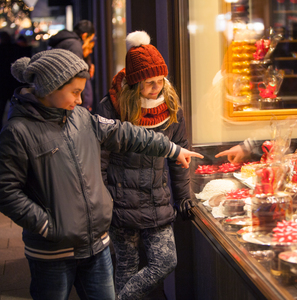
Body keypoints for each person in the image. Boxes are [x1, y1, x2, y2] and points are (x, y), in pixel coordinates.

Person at [0, 49, 203, 300]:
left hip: (96, 244)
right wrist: (47, 226)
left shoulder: (81, 117)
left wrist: (171, 148)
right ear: (51, 88)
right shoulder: (18, 132)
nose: (80, 100)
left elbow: (124, 133)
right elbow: (5, 191)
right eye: (75, 92)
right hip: (53, 250)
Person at [96, 31, 195, 300]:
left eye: (160, 80)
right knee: (125, 268)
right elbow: (100, 161)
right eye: (149, 82)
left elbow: (179, 156)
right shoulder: (112, 108)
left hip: (157, 201)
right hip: (121, 203)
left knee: (166, 261)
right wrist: (104, 205)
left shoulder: (172, 107)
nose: (157, 87)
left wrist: (184, 197)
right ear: (133, 83)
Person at [0, 31, 26, 151]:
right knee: (17, 116)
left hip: (0, 89)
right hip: (15, 88)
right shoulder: (17, 51)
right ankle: (17, 142)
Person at [48, 20, 96, 112]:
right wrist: (80, 106)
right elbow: (78, 76)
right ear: (85, 35)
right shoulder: (74, 45)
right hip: (70, 105)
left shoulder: (68, 42)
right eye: (90, 39)